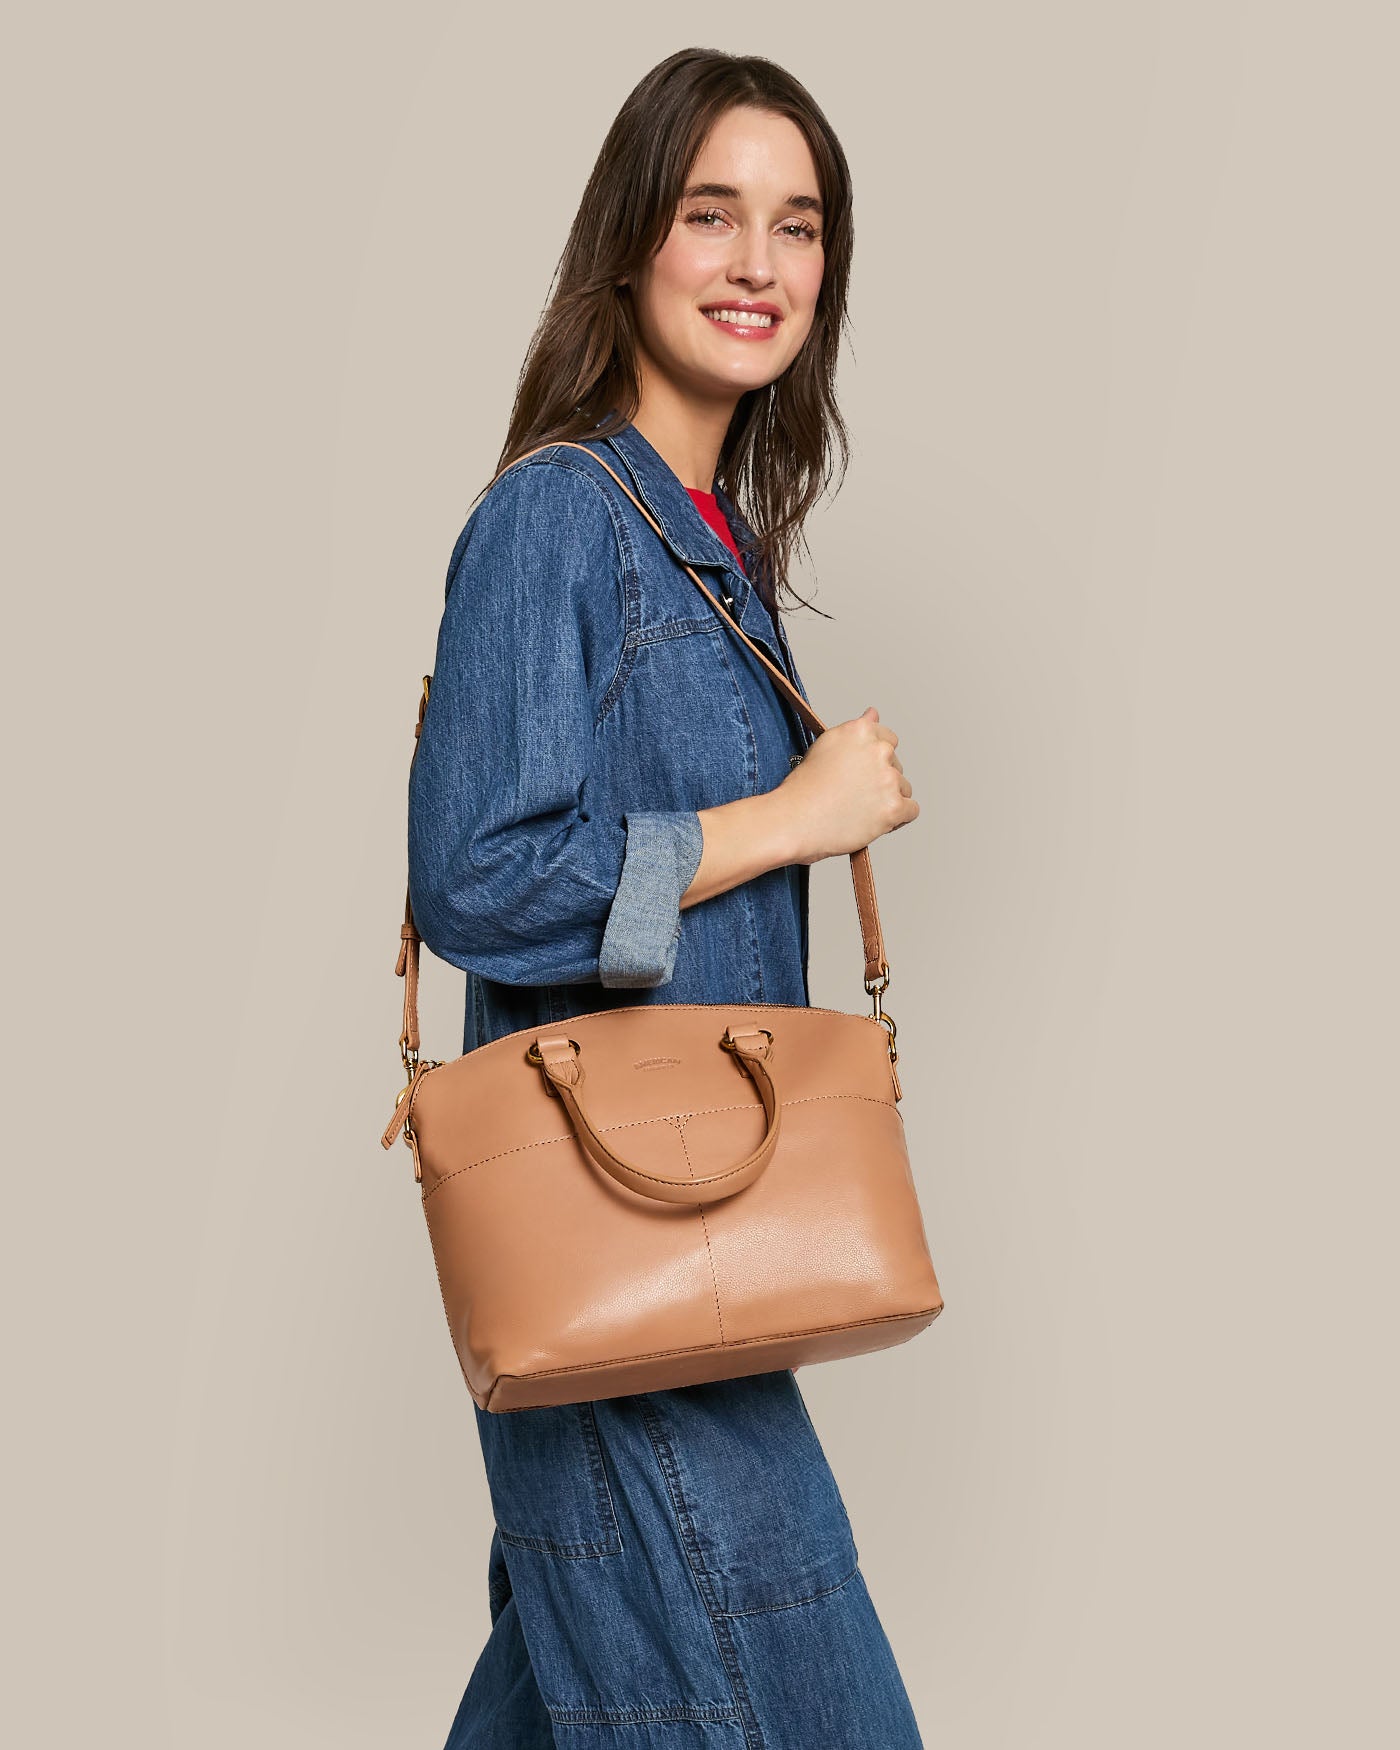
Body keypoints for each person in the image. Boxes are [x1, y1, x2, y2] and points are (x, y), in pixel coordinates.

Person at [408, 47, 923, 1750]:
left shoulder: (713, 542)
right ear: (633, 239)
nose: (760, 264)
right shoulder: (561, 518)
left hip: (701, 1248)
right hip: (633, 1265)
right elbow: (476, 871)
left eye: (801, 224)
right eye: (713, 213)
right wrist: (788, 815)